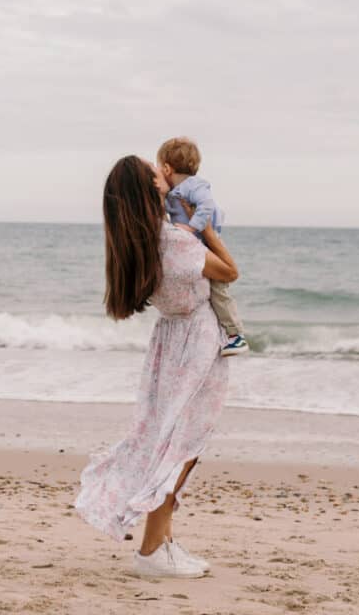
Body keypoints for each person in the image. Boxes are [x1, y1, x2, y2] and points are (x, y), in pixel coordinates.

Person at [75, 155, 238, 579]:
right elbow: (231, 271)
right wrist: (203, 228)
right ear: (149, 188)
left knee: (168, 443)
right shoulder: (177, 241)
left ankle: (161, 541)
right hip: (195, 346)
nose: (163, 176)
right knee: (182, 449)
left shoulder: (138, 243)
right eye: (155, 173)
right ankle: (150, 550)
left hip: (168, 345)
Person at [156, 136, 249, 356]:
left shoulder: (194, 186)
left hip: (207, 241)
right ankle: (218, 332)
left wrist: (192, 227)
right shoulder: (174, 191)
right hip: (195, 244)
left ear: (167, 168)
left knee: (219, 291)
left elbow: (206, 205)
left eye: (159, 167)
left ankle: (236, 335)